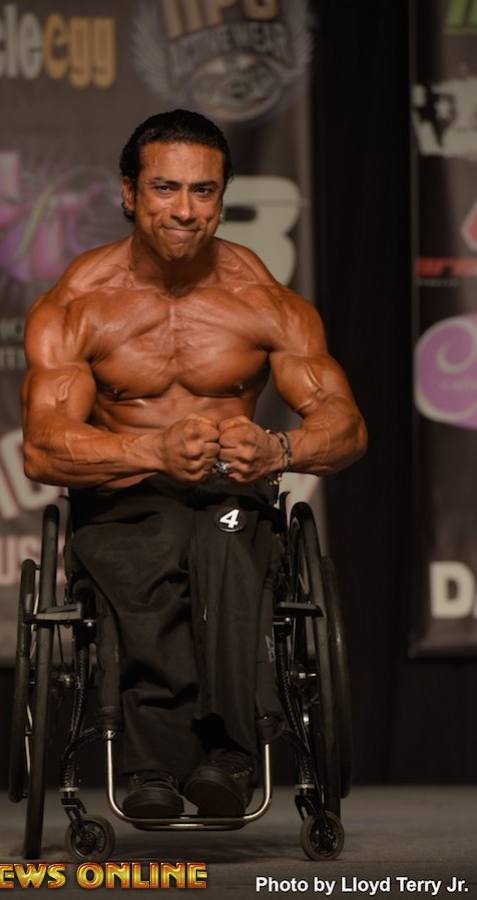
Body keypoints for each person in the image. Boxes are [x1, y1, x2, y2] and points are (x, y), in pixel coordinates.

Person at [21, 109, 367, 820]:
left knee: (227, 543)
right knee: (152, 548)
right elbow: (42, 445)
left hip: (229, 490)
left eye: (203, 191)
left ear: (222, 196)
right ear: (129, 192)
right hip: (126, 492)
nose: (185, 209)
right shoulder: (79, 304)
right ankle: (152, 767)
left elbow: (347, 425)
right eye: (166, 188)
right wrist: (150, 450)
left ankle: (228, 758)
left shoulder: (265, 302)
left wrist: (280, 449)